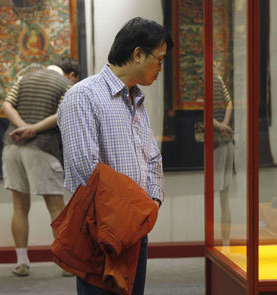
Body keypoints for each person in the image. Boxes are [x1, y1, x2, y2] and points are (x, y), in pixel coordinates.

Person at [57, 17, 173, 295]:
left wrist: (151, 204)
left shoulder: (136, 99)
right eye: (159, 59)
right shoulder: (82, 96)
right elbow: (87, 168)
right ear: (137, 54)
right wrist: (134, 208)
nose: (161, 67)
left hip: (135, 228)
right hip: (100, 230)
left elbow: (153, 158)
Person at [1, 57, 80, 277]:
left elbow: (6, 105)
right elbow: (61, 114)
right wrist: (33, 129)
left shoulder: (24, 78)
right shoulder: (67, 85)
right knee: (56, 207)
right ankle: (66, 263)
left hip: (11, 146)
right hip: (43, 148)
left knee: (19, 207)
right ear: (71, 75)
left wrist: (22, 127)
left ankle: (22, 262)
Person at [213, 73, 234, 244]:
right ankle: (224, 243)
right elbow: (229, 103)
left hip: (216, 145)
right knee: (224, 199)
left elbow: (204, 113)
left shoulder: (210, 80)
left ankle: (220, 244)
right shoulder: (219, 78)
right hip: (225, 140)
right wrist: (225, 125)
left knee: (218, 197)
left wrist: (220, 126)